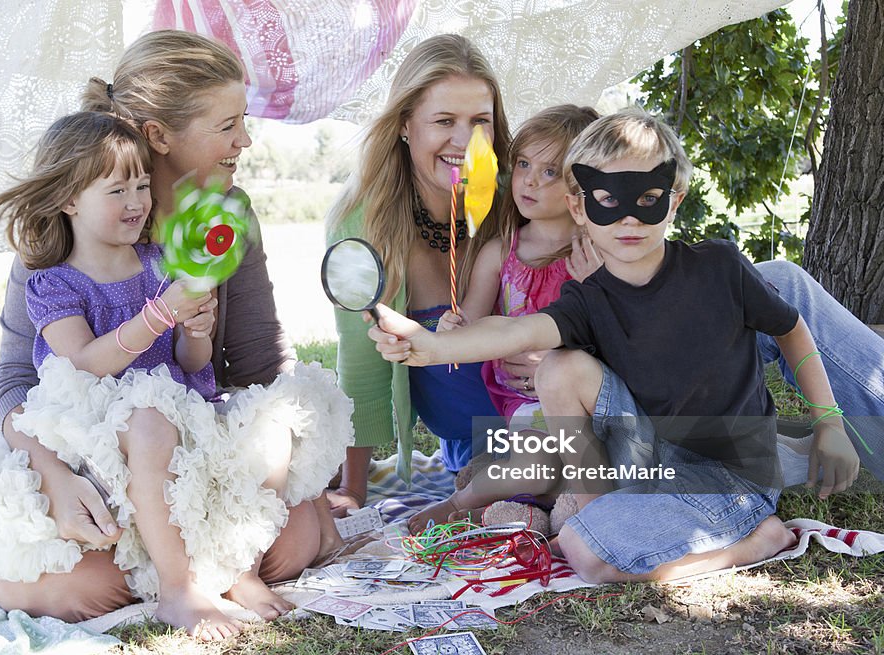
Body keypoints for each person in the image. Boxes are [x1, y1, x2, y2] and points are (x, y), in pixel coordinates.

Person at [0, 32, 351, 641]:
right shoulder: (66, 233)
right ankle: (182, 575)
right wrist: (53, 477)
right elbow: (22, 380)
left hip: (193, 439)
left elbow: (258, 364)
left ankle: (205, 566)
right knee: (76, 586)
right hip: (95, 454)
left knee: (292, 545)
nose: (246, 142)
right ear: (160, 136)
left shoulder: (227, 216)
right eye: (228, 125)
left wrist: (302, 480)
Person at [367, 109, 861, 583]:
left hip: (728, 474)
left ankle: (755, 541)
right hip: (646, 457)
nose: (629, 220)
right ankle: (598, 512)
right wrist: (429, 346)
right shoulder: (589, 297)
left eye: (648, 197)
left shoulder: (719, 267)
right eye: (608, 199)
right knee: (558, 368)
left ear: (676, 197)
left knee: (585, 555)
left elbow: (791, 328)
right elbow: (515, 331)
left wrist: (829, 421)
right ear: (581, 206)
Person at [324, 34, 513, 513]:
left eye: (480, 122)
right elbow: (362, 367)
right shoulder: (361, 221)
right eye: (444, 121)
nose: (464, 141)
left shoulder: (518, 203)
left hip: (547, 431)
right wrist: (353, 488)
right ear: (406, 125)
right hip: (475, 453)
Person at [438, 104, 602, 420]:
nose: (529, 180)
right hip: (523, 402)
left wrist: (559, 364)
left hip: (585, 396)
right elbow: (472, 321)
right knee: (535, 465)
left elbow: (619, 329)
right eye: (524, 163)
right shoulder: (500, 253)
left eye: (550, 171)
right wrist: (454, 329)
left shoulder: (595, 255)